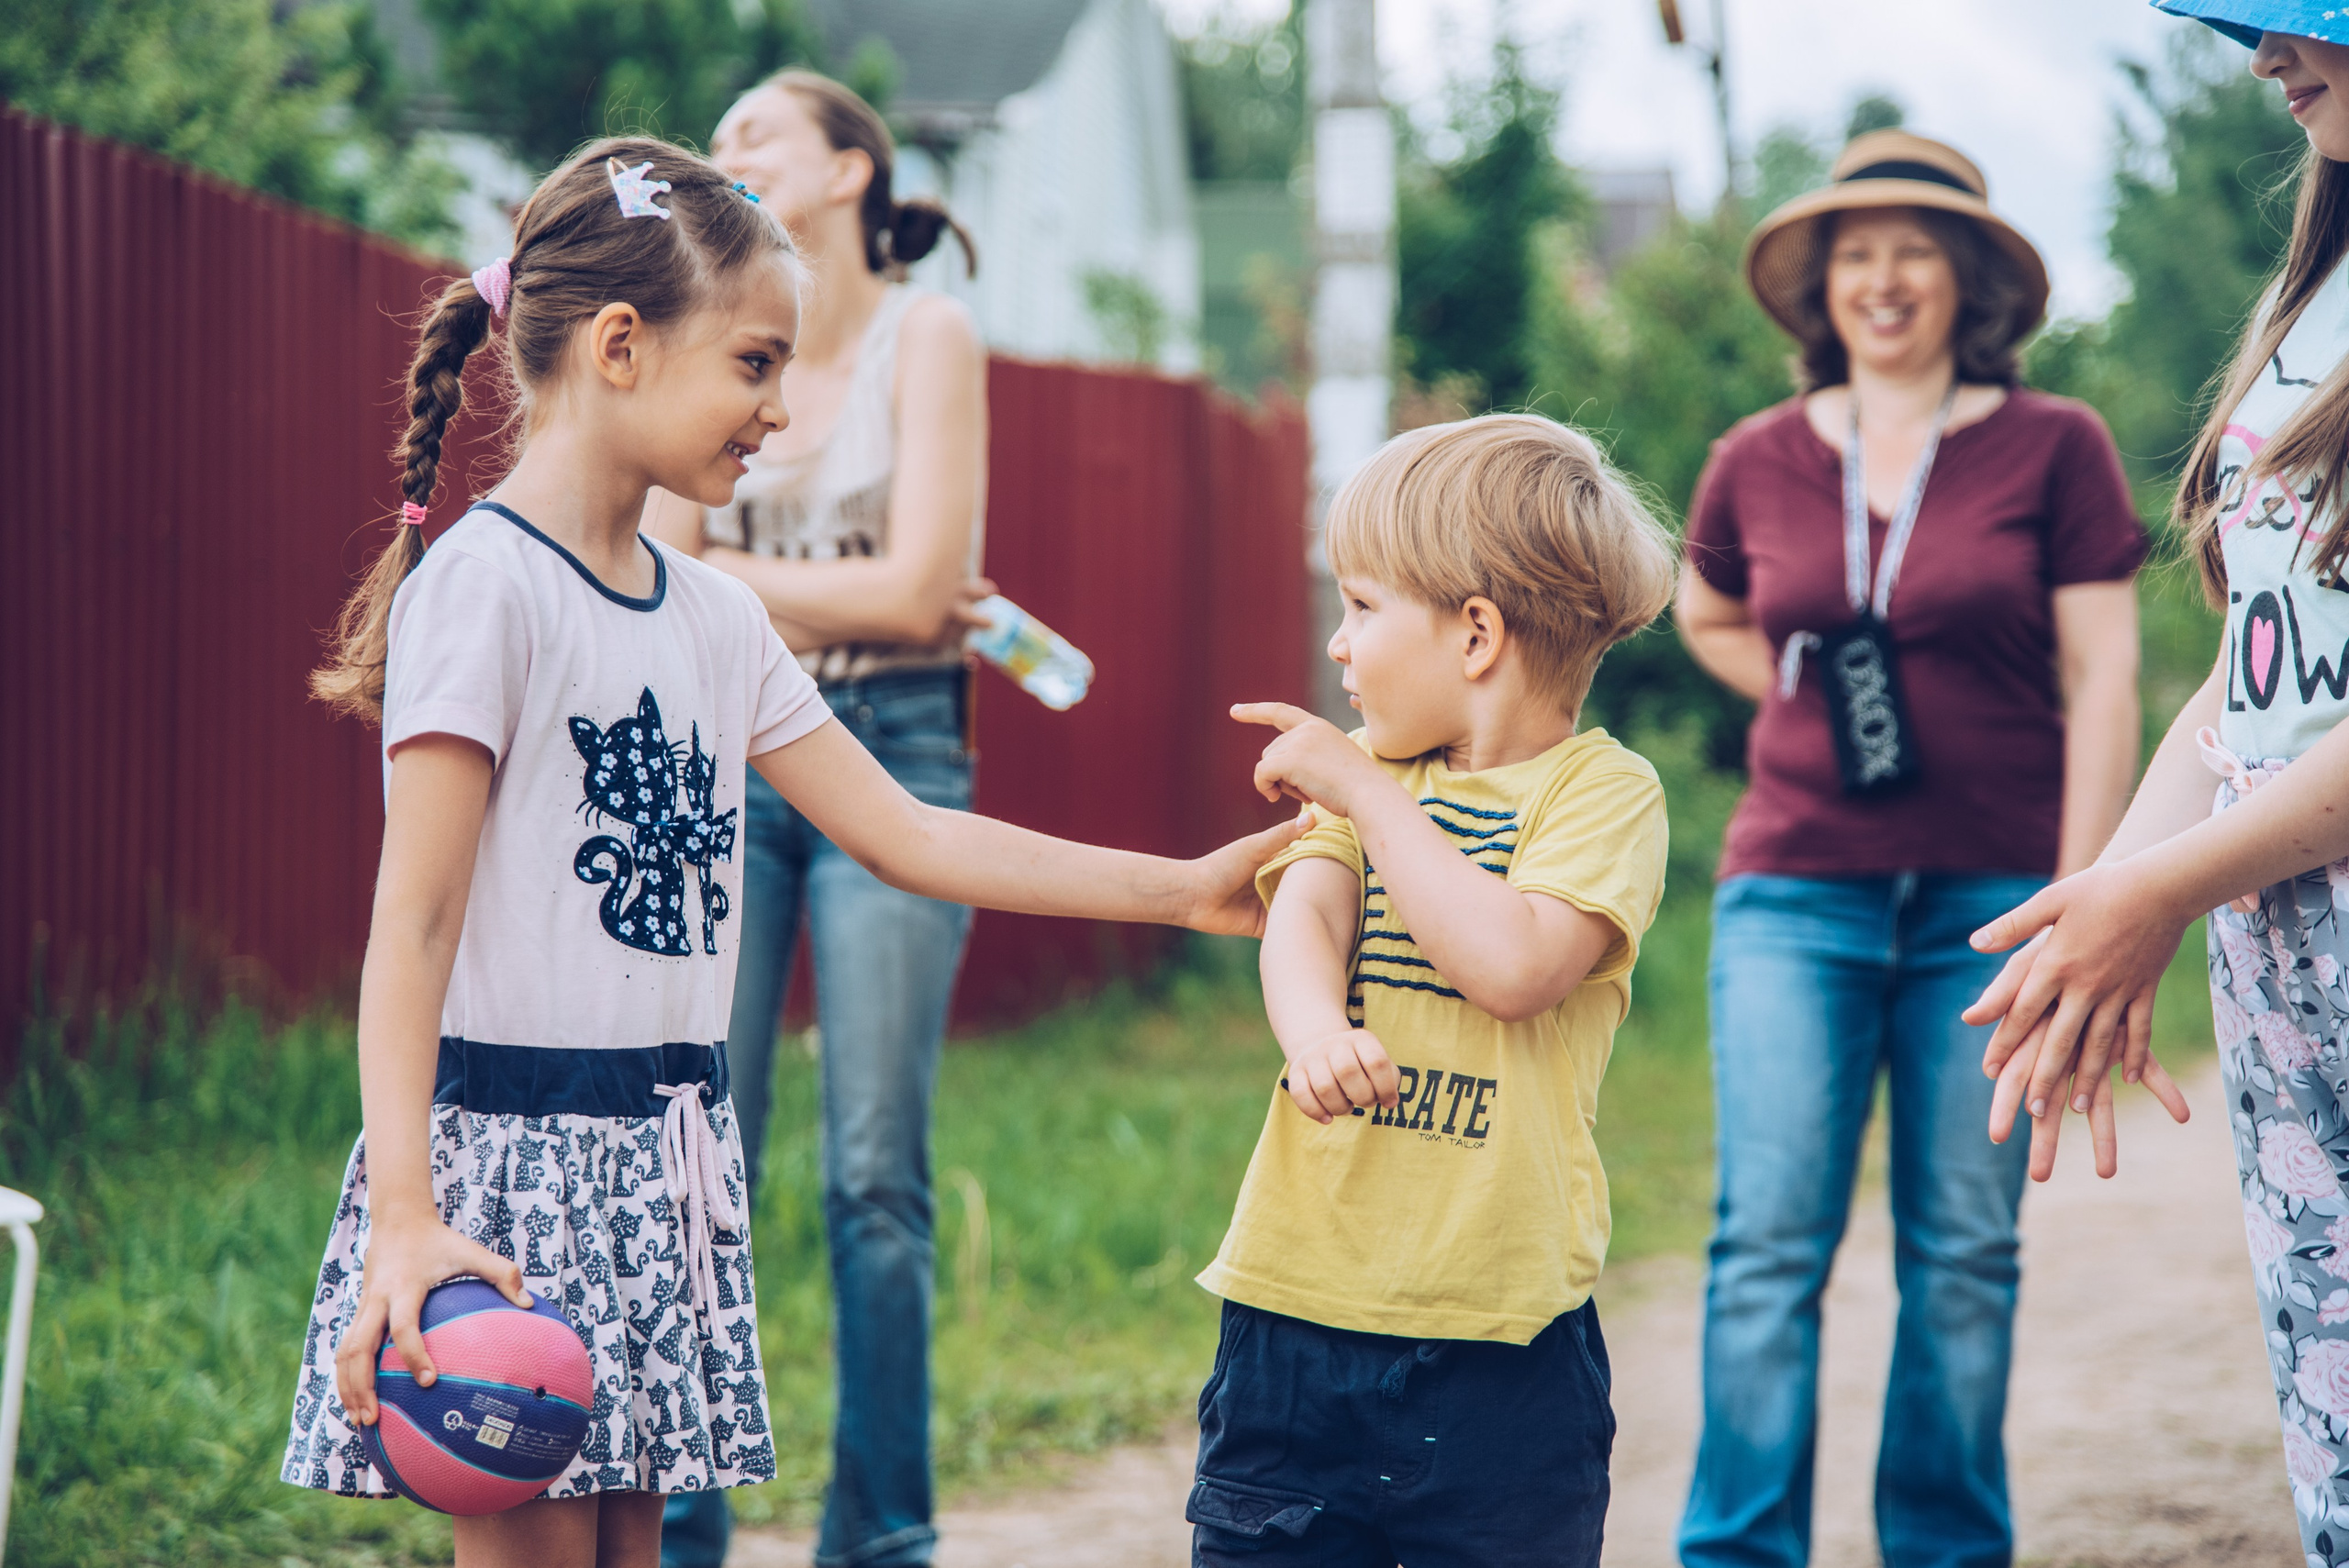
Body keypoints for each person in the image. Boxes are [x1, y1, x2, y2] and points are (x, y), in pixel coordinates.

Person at [276, 133, 1302, 1568]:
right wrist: (404, 1220)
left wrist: (1184, 889)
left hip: (664, 1161)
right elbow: (415, 927)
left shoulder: (717, 617)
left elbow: (910, 832)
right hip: (508, 1180)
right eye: (756, 364)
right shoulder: (486, 589)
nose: (780, 409)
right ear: (621, 346)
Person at [1671, 131, 2149, 1568]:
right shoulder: (1751, 459)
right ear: (1823, 285)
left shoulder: (2055, 442)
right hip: (1793, 890)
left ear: (1967, 278)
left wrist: (2081, 903)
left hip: (1996, 897)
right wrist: (1801, 688)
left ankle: (1943, 1550)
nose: (1883, 279)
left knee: (1964, 1254)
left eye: (1915, 251)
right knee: (1765, 1250)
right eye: (1857, 253)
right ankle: (1739, 1552)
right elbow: (1703, 610)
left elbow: (2107, 680)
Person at [1965, 13, 2349, 1560]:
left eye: (2304, 24)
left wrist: (2160, 889)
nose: (2267, 56)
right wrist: (2102, 902)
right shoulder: (2309, 293)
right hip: (2282, 934)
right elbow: (2247, 673)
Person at [1191, 414, 1676, 1567]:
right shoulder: (1369, 789)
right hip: (1294, 1319)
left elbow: (1512, 966)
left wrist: (1364, 789)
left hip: (1501, 1352)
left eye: (1360, 608)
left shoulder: (1602, 795)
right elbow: (1305, 914)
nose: (1339, 649)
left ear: (1474, 634)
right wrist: (1311, 1028)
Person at [639, 69, 986, 1568]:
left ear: (850, 168)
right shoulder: (715, 337)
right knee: (699, 1143)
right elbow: (660, 567)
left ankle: (883, 1536)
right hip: (725, 752)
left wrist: (730, 578)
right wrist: (834, 589)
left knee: (873, 1171)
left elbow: (924, 598)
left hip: (896, 744)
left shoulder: (933, 334)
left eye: (754, 134)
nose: (726, 158)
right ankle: (675, 1520)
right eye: (715, 145)